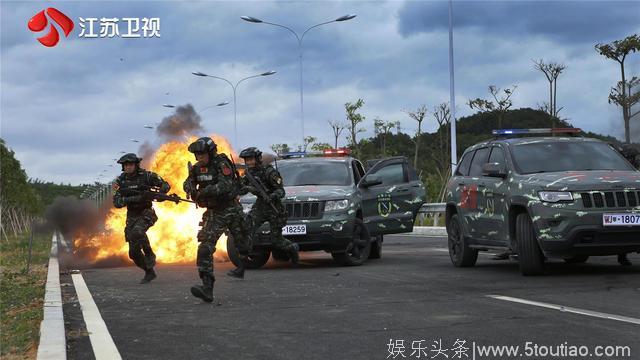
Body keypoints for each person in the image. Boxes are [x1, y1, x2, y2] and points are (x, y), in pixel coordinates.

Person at [183, 137, 251, 303]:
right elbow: (187, 183)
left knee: (242, 242)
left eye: (202, 153)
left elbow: (225, 186)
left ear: (211, 152)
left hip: (231, 209)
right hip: (213, 213)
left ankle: (242, 265)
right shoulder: (197, 169)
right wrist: (190, 188)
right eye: (197, 154)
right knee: (205, 248)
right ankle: (207, 288)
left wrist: (203, 192)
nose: (199, 157)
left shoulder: (222, 164)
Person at [112, 153, 170, 283]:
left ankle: (149, 253)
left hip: (146, 213)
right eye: (125, 165)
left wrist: (159, 194)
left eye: (130, 165)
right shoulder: (119, 182)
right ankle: (149, 272)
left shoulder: (148, 176)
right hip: (132, 216)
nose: (128, 167)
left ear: (136, 165)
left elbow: (165, 185)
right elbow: (117, 202)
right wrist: (135, 198)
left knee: (138, 232)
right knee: (133, 253)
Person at [239, 147, 299, 265]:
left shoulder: (269, 172)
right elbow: (242, 189)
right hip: (260, 206)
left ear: (258, 159)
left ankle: (292, 248)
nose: (249, 162)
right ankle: (245, 258)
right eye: (247, 160)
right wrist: (240, 186)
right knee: (246, 228)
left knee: (276, 241)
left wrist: (271, 196)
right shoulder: (248, 174)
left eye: (251, 159)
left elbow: (281, 191)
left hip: (274, 207)